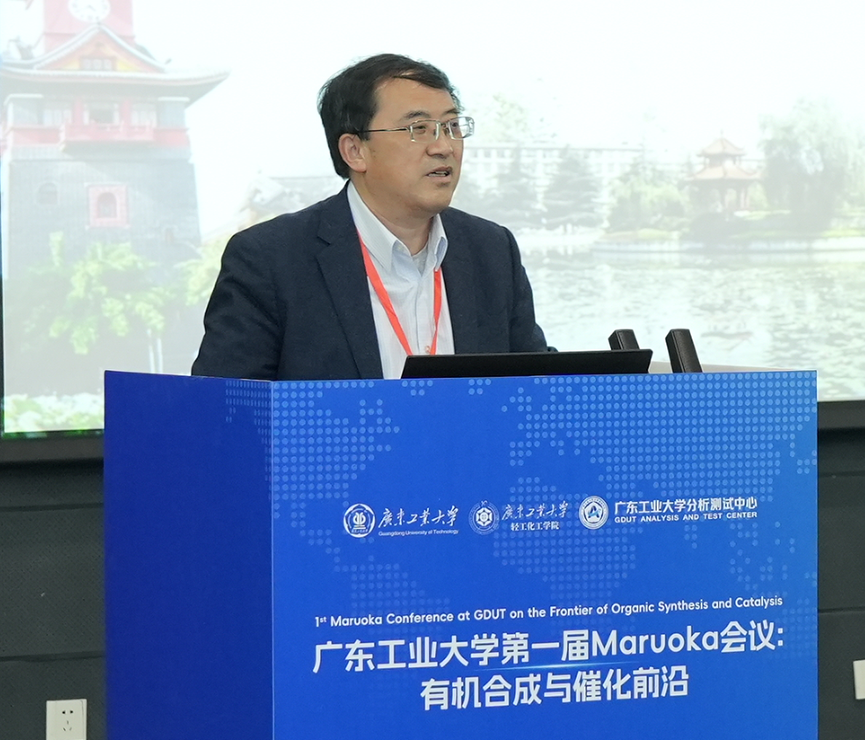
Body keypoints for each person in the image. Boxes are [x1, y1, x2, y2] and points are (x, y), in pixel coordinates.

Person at [192, 53, 547, 380]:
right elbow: (226, 408)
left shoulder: (491, 250)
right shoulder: (271, 259)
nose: (443, 146)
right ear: (354, 151)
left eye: (452, 126)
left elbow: (537, 384)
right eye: (418, 129)